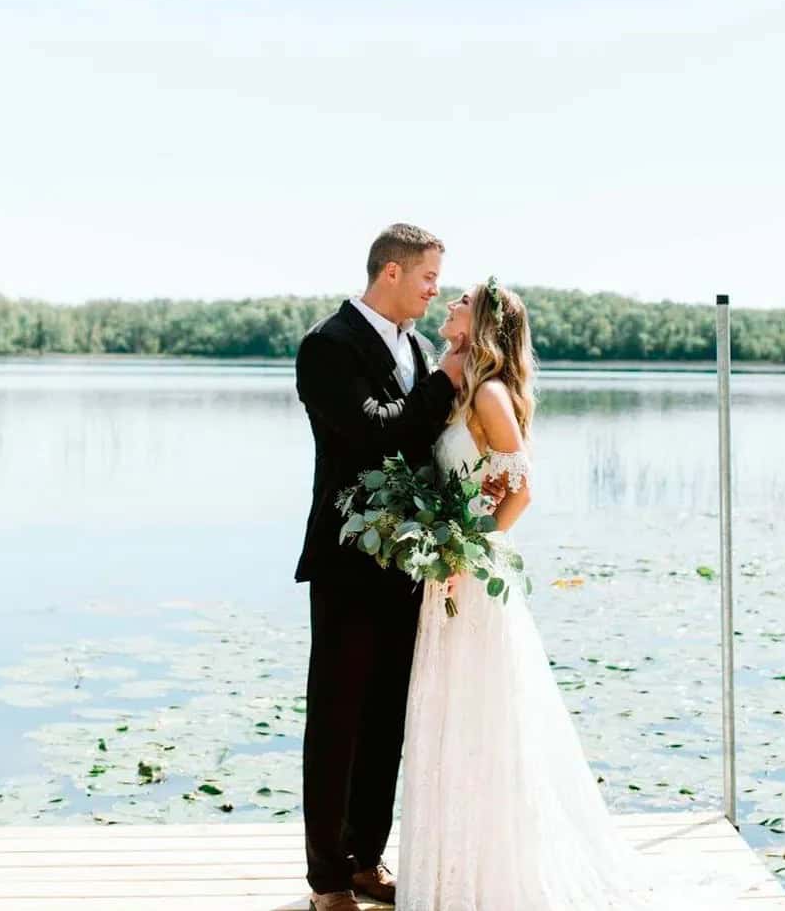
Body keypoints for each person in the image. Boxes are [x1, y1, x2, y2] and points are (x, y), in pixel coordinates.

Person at [397, 279, 756, 910]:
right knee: (452, 717)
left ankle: (496, 875)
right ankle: (454, 870)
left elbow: (522, 489)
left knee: (485, 716)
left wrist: (463, 551)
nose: (449, 304)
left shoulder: (489, 392)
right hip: (448, 576)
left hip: (473, 578)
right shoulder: (457, 386)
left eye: (461, 301)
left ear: (481, 323)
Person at [294, 224, 503, 911]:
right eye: (426, 278)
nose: (435, 290)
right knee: (337, 718)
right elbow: (379, 435)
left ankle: (364, 857)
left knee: (386, 719)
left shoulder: (415, 346)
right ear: (390, 272)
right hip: (348, 561)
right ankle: (327, 879)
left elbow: (428, 450)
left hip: (409, 566)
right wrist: (446, 379)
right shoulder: (326, 347)